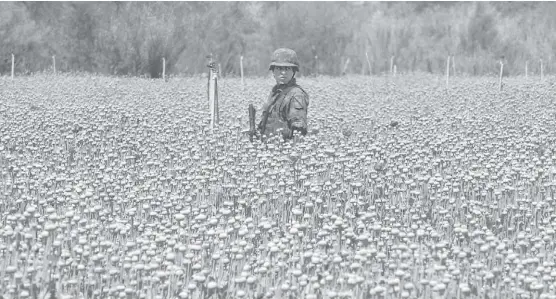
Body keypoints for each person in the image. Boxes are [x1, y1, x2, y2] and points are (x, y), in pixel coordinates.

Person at [257, 48, 309, 141]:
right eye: (279, 68)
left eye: (287, 68)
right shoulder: (276, 91)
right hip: (269, 147)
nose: (283, 72)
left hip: (284, 149)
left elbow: (298, 130)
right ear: (273, 71)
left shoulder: (296, 95)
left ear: (293, 71)